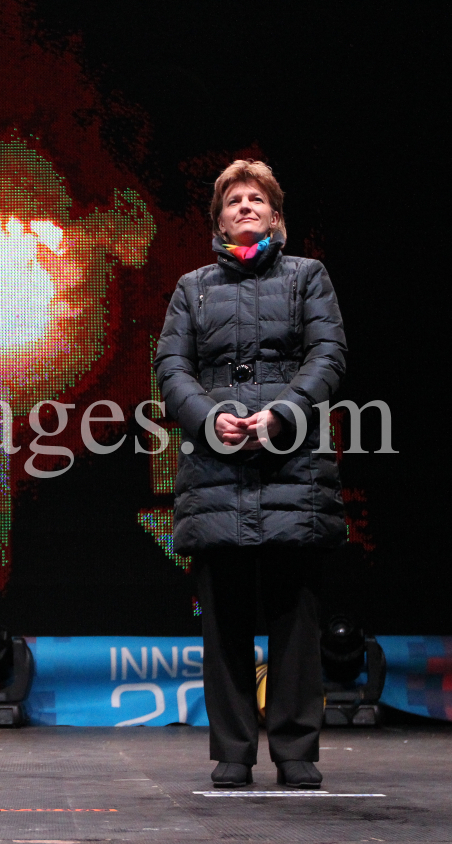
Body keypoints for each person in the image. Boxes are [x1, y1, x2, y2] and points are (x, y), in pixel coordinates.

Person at [154, 160, 346, 789]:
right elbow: (171, 369)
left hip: (293, 466)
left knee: (296, 619)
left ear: (275, 214)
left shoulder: (307, 276)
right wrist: (211, 419)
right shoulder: (193, 288)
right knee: (224, 618)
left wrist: (283, 414)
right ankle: (233, 752)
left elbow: (328, 354)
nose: (244, 205)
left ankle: (296, 753)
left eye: (256, 198)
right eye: (233, 199)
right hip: (216, 467)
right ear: (218, 218)